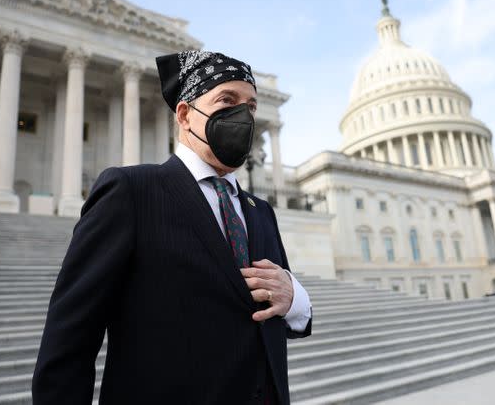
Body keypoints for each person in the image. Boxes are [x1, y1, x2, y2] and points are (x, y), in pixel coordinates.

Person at [32, 50, 312, 405]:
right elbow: (68, 340)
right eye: (227, 100)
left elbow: (270, 316)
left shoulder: (260, 213)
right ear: (185, 114)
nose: (244, 115)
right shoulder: (131, 192)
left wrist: (295, 297)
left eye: (251, 106)